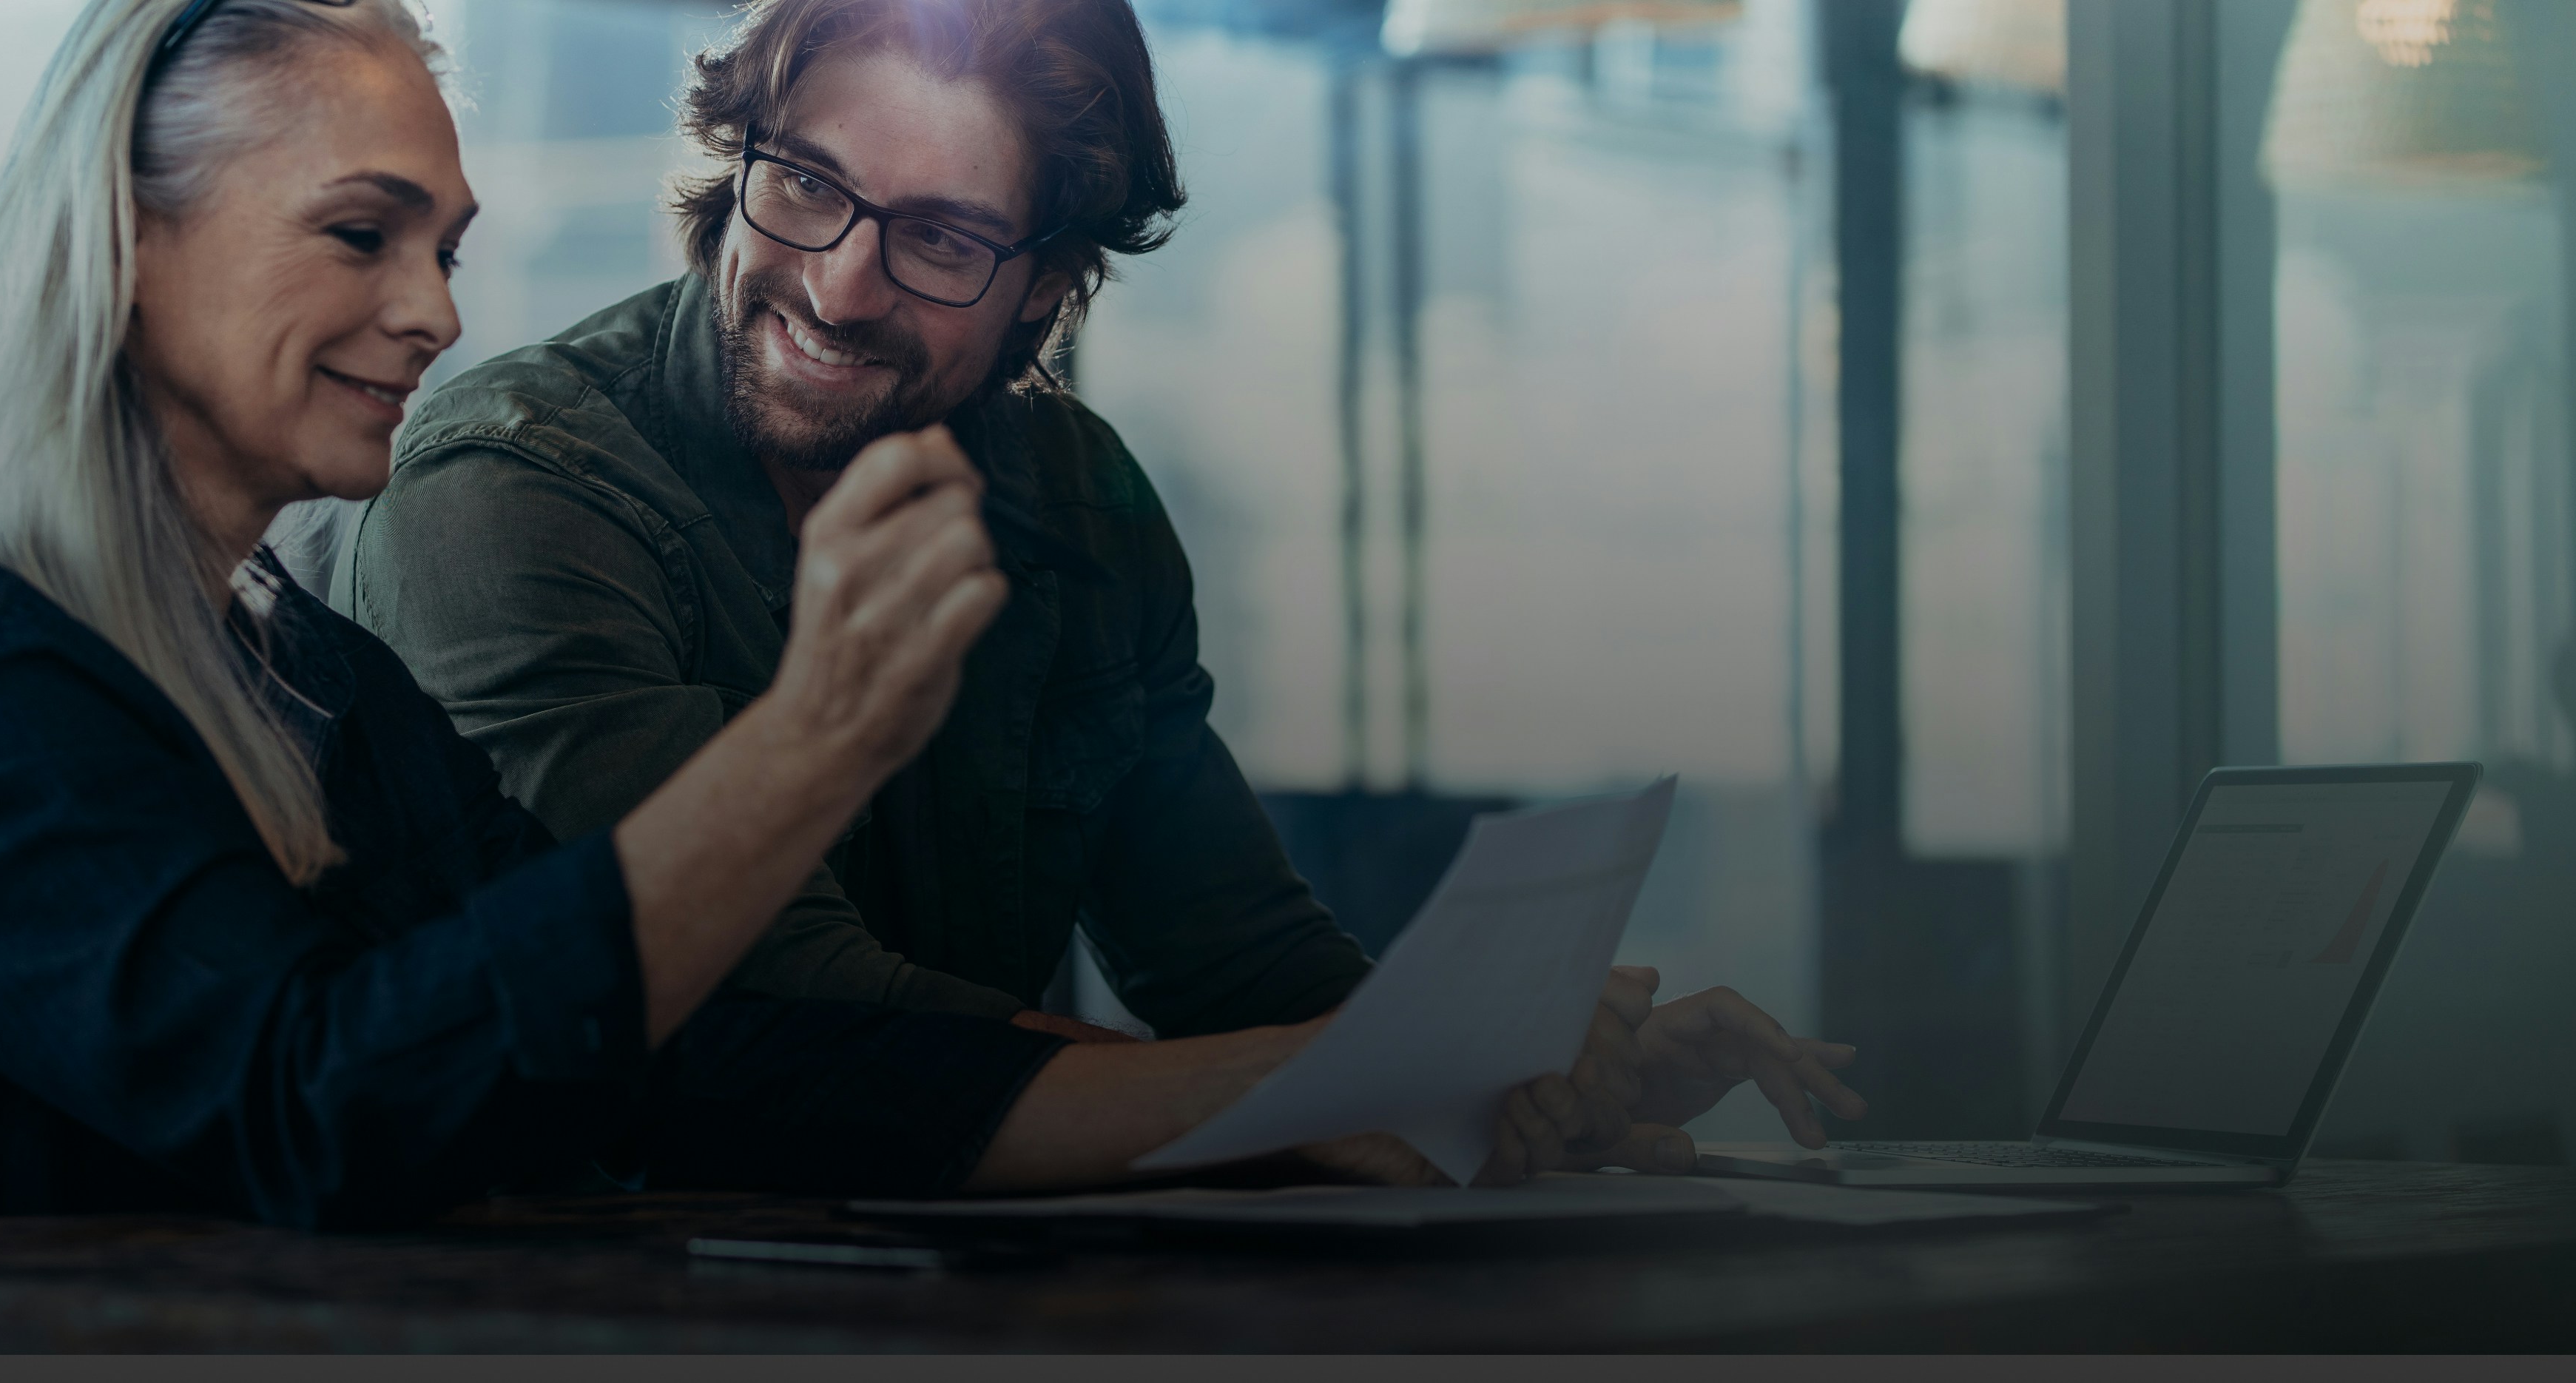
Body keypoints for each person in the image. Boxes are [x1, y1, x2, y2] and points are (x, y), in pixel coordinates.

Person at [0, 0, 1850, 1231]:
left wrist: (1441, 1072)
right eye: (363, 235)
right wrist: (824, 736)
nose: (437, 311)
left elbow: (687, 1051)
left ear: (1045, 290)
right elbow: (329, 1103)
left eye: (446, 243)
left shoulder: (301, 666)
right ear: (123, 237)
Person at [333, 0, 1861, 1153]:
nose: (838, 284)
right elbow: (765, 994)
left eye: (940, 239)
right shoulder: (515, 488)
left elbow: (1235, 957)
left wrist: (1514, 1076)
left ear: (1046, 289)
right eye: (804, 183)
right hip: (567, 1277)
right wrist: (1336, 1089)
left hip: (962, 1284)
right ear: (737, 165)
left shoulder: (1077, 497)